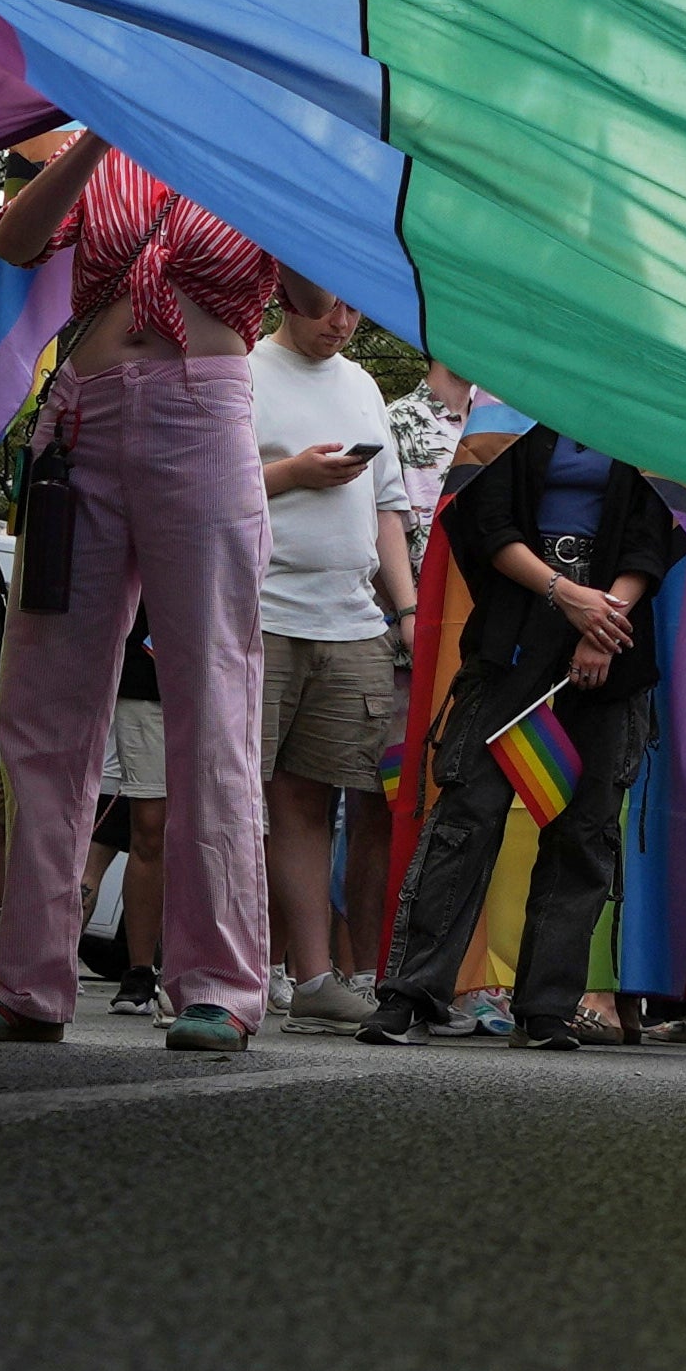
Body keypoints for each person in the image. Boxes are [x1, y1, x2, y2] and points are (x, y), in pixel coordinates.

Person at [0, 126, 260, 1051]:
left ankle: (217, 985)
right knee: (42, 704)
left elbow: (322, 299)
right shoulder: (104, 147)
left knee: (210, 695)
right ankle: (26, 980)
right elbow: (16, 242)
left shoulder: (259, 143)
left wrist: (268, 171)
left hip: (203, 416)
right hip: (81, 422)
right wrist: (97, 135)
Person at [366, 422, 686, 1050]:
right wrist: (564, 593)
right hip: (512, 635)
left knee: (587, 831)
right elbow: (487, 522)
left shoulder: (643, 409)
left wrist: (602, 625)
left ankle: (546, 1007)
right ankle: (411, 993)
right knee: (466, 815)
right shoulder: (511, 407)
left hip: (612, 645)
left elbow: (653, 535)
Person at [251, 278, 414, 1032]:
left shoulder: (363, 386)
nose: (341, 322)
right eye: (328, 304)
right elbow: (207, 484)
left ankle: (314, 977)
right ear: (287, 292)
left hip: (350, 622)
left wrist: (406, 610)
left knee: (310, 802)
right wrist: (293, 473)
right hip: (260, 613)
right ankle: (214, 970)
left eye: (354, 306)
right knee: (233, 798)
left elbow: (387, 510)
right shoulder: (243, 371)